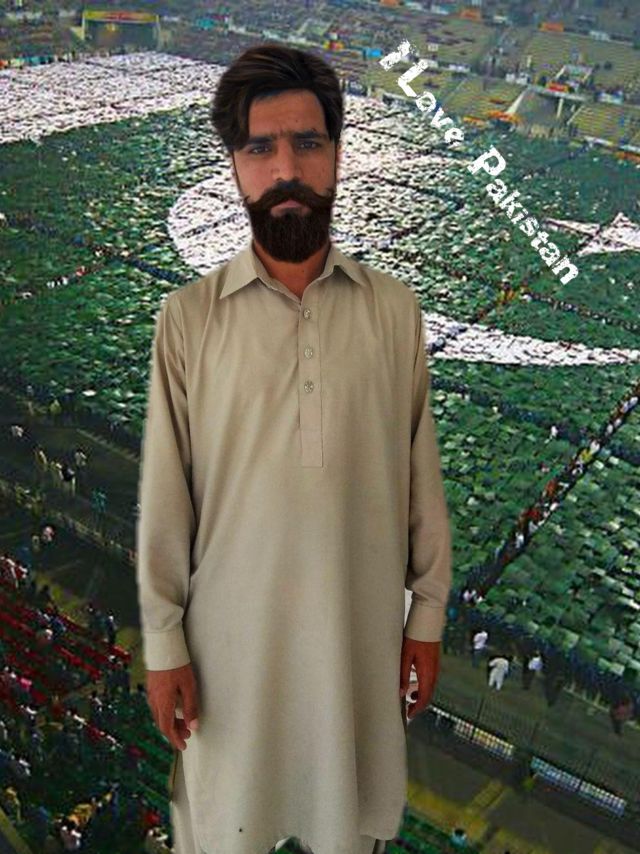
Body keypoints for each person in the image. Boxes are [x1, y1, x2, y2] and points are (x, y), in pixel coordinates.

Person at [136, 42, 452, 854]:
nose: (286, 169)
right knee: (229, 819)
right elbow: (166, 499)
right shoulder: (188, 319)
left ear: (338, 155)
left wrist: (426, 616)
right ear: (236, 167)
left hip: (357, 645)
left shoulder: (394, 312)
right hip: (228, 652)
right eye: (260, 148)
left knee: (346, 817)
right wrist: (164, 642)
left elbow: (420, 480)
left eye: (307, 143)